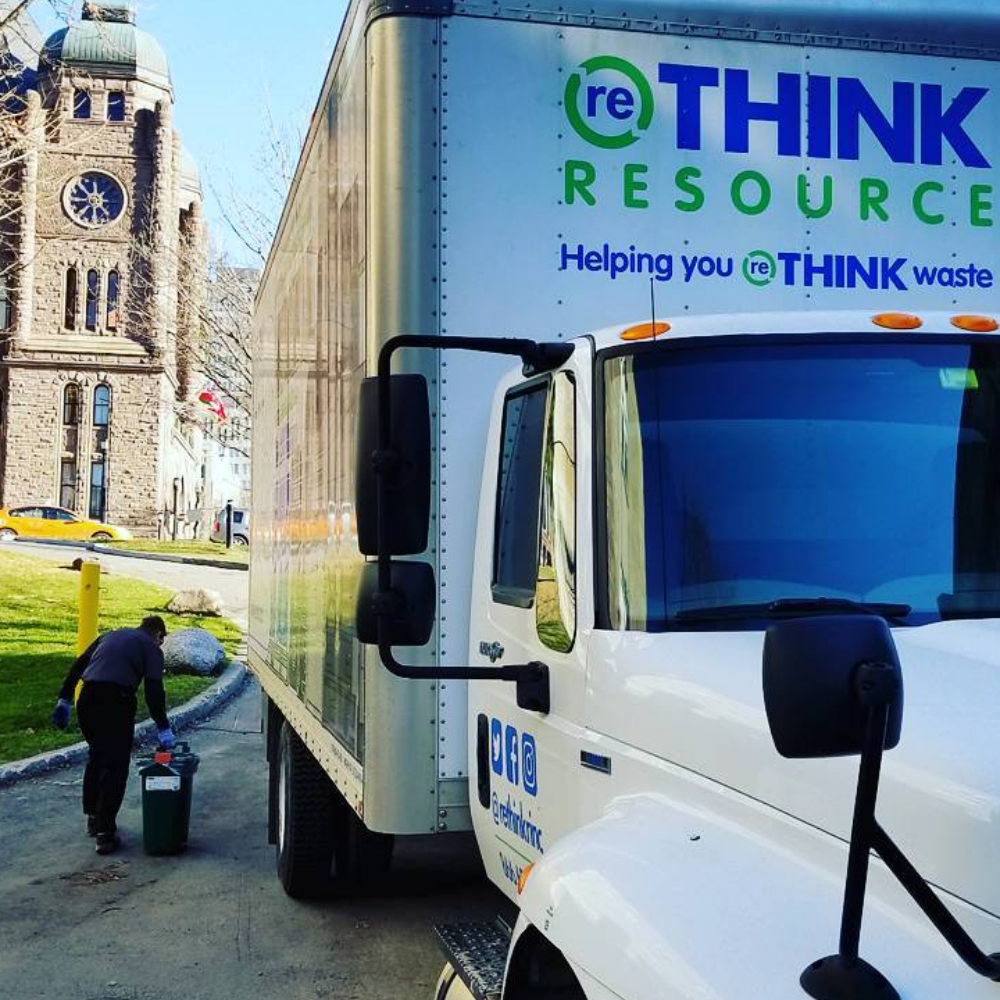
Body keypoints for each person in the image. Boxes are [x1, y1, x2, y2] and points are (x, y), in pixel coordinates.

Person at [52, 616, 176, 855]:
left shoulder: (110, 635)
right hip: (116, 702)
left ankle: (93, 817)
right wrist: (163, 727)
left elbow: (79, 665)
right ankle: (105, 833)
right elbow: (153, 691)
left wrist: (64, 699)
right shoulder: (151, 647)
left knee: (97, 756)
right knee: (116, 765)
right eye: (161, 640)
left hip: (87, 699)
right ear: (159, 635)